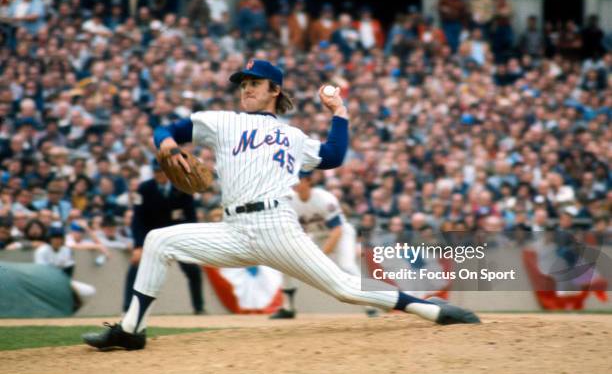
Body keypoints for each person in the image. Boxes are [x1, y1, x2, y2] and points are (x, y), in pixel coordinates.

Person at [82, 59, 480, 351]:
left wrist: (339, 113)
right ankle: (132, 330)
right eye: (243, 84)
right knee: (157, 241)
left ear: (275, 90)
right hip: (232, 231)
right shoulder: (222, 122)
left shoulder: (294, 136)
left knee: (343, 288)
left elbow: (334, 156)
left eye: (255, 83)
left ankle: (431, 310)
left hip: (276, 226)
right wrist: (166, 143)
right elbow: (167, 128)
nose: (246, 89)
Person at [270, 171, 376, 319]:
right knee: (287, 263)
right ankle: (288, 307)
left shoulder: (324, 198)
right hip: (317, 235)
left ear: (308, 181)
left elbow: (337, 230)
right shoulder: (290, 201)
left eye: (298, 179)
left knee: (347, 265)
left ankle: (370, 304)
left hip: (341, 234)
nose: (294, 183)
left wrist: (321, 255)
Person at [122, 159, 204, 314]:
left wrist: (189, 242)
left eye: (162, 171)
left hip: (176, 237)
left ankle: (199, 308)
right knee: (135, 267)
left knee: (193, 269)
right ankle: (127, 307)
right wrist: (138, 245)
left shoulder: (183, 188)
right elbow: (137, 220)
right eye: (157, 172)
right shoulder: (144, 189)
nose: (159, 175)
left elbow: (191, 218)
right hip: (152, 237)